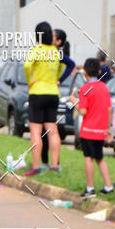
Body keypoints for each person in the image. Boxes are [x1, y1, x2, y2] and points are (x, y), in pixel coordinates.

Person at [23, 20, 64, 175]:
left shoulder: (36, 49)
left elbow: (27, 65)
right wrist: (55, 78)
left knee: (35, 131)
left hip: (38, 92)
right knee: (52, 130)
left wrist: (30, 81)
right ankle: (54, 166)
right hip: (53, 93)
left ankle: (36, 167)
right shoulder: (55, 51)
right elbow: (63, 66)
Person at [70, 57, 113, 197]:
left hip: (88, 130)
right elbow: (109, 109)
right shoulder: (104, 88)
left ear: (85, 73)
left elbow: (82, 111)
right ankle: (108, 185)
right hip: (101, 130)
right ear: (99, 71)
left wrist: (74, 102)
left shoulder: (84, 89)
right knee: (99, 157)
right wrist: (108, 129)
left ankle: (90, 188)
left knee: (88, 157)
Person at [41, 28, 75, 166]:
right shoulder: (51, 52)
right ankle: (50, 162)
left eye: (53, 36)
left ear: (58, 41)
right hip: (50, 93)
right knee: (48, 130)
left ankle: (50, 162)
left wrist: (60, 80)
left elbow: (71, 64)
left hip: (50, 92)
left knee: (48, 131)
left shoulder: (57, 53)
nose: (49, 36)